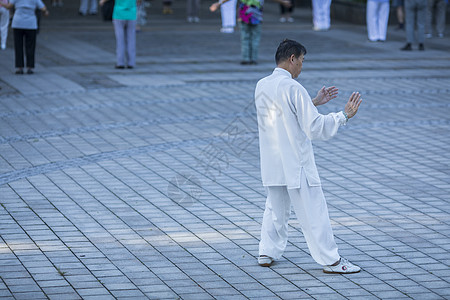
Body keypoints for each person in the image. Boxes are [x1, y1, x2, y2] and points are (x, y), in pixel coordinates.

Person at [255, 39, 362, 274]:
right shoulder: (293, 88)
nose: (302, 67)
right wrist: (344, 115)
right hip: (295, 161)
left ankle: (267, 251)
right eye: (301, 61)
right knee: (314, 210)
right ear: (292, 58)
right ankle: (332, 261)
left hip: (273, 161)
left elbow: (282, 114)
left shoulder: (262, 84)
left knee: (275, 208)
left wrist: (312, 102)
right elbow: (313, 128)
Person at [210, 0, 291, 65]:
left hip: (244, 16)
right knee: (255, 38)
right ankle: (253, 58)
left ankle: (246, 58)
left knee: (245, 38)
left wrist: (218, 3)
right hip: (256, 17)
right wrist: (283, 2)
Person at [1, 0, 49, 74]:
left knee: (18, 46)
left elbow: (8, 6)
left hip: (18, 23)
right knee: (30, 46)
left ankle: (20, 67)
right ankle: (30, 67)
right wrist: (45, 12)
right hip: (31, 24)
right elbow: (43, 8)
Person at [100, 0, 138, 69]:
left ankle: (120, 62)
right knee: (131, 39)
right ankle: (131, 63)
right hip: (131, 14)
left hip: (119, 14)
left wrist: (102, 1)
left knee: (120, 40)